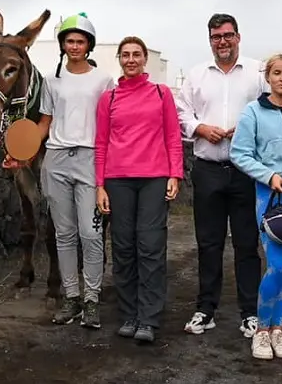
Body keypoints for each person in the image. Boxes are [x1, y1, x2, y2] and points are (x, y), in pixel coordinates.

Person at [6, 12, 114, 328]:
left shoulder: (104, 80)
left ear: (89, 45)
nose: (75, 46)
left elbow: (108, 125)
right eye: (70, 41)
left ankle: (92, 300)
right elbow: (44, 124)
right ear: (63, 45)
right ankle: (71, 298)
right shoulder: (52, 83)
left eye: (80, 41)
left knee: (91, 233)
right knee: (64, 234)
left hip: (90, 158)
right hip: (55, 160)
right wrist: (20, 151)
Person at [174, 13, 268, 337]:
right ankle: (206, 308)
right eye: (216, 37)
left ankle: (250, 312)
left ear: (238, 37)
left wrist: (247, 128)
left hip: (246, 171)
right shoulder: (196, 75)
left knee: (246, 243)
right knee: (209, 243)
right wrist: (200, 127)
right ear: (210, 40)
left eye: (228, 35)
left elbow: (270, 108)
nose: (222, 42)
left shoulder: (258, 73)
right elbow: (181, 111)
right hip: (208, 168)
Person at [94, 36, 184, 343]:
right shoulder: (109, 98)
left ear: (145, 59)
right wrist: (100, 185)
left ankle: (148, 317)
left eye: (136, 54)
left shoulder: (161, 94)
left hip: (154, 179)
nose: (131, 59)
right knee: (123, 247)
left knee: (151, 246)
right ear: (119, 59)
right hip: (118, 180)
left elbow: (173, 135)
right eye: (125, 55)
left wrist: (175, 174)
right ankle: (129, 314)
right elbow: (101, 142)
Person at [230, 53, 282, 360]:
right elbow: (239, 154)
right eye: (276, 73)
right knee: (277, 263)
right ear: (267, 77)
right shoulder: (253, 112)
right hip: (271, 191)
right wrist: (269, 175)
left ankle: (279, 329)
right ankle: (261, 331)